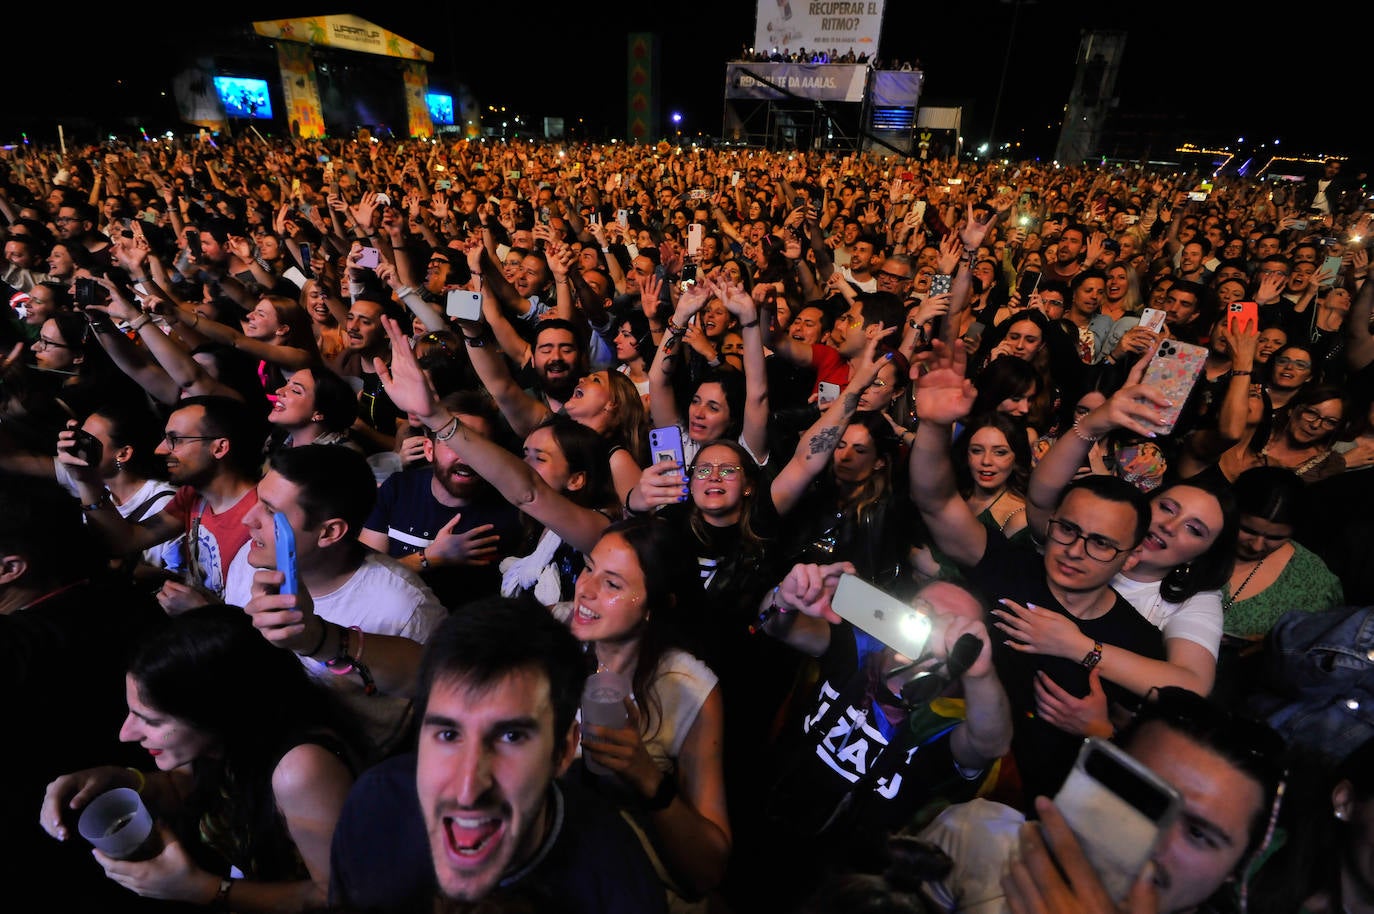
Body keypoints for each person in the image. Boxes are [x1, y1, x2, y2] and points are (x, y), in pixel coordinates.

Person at [908, 339, 1164, 806]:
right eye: (1067, 529)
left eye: (1101, 543)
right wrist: (933, 425)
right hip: (940, 773)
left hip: (1031, 808)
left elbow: (1145, 764)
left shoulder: (1137, 641)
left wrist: (1100, 733)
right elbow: (937, 502)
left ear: (1131, 556)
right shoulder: (1009, 566)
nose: (1075, 551)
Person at [327, 594, 667, 914]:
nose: (467, 789)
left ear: (562, 752)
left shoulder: (617, 888)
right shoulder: (373, 809)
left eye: (511, 736)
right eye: (448, 734)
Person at [39, 605, 369, 912]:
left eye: (152, 721)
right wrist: (120, 779)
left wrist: (206, 890)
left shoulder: (301, 770)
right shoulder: (217, 743)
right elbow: (183, 785)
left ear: (218, 714)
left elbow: (342, 896)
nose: (126, 733)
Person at [748, 562, 1011, 911]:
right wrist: (787, 595)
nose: (932, 629)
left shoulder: (945, 722)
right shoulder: (859, 649)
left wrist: (980, 673)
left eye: (949, 628)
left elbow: (990, 743)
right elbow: (778, 626)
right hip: (762, 832)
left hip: (847, 890)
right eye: (922, 612)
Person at [950, 686, 1288, 914]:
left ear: (1238, 867)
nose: (1152, 841)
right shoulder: (977, 838)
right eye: (1141, 797)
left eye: (1198, 834)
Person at [1, 476, 167, 910]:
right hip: (138, 837)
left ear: (10, 568)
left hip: (54, 868)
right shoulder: (130, 602)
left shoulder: (20, 650)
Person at [223, 444, 448, 754]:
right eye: (257, 502)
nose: (248, 519)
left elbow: (441, 697)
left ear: (329, 533)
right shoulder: (251, 562)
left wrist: (319, 640)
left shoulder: (405, 607)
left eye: (272, 512)